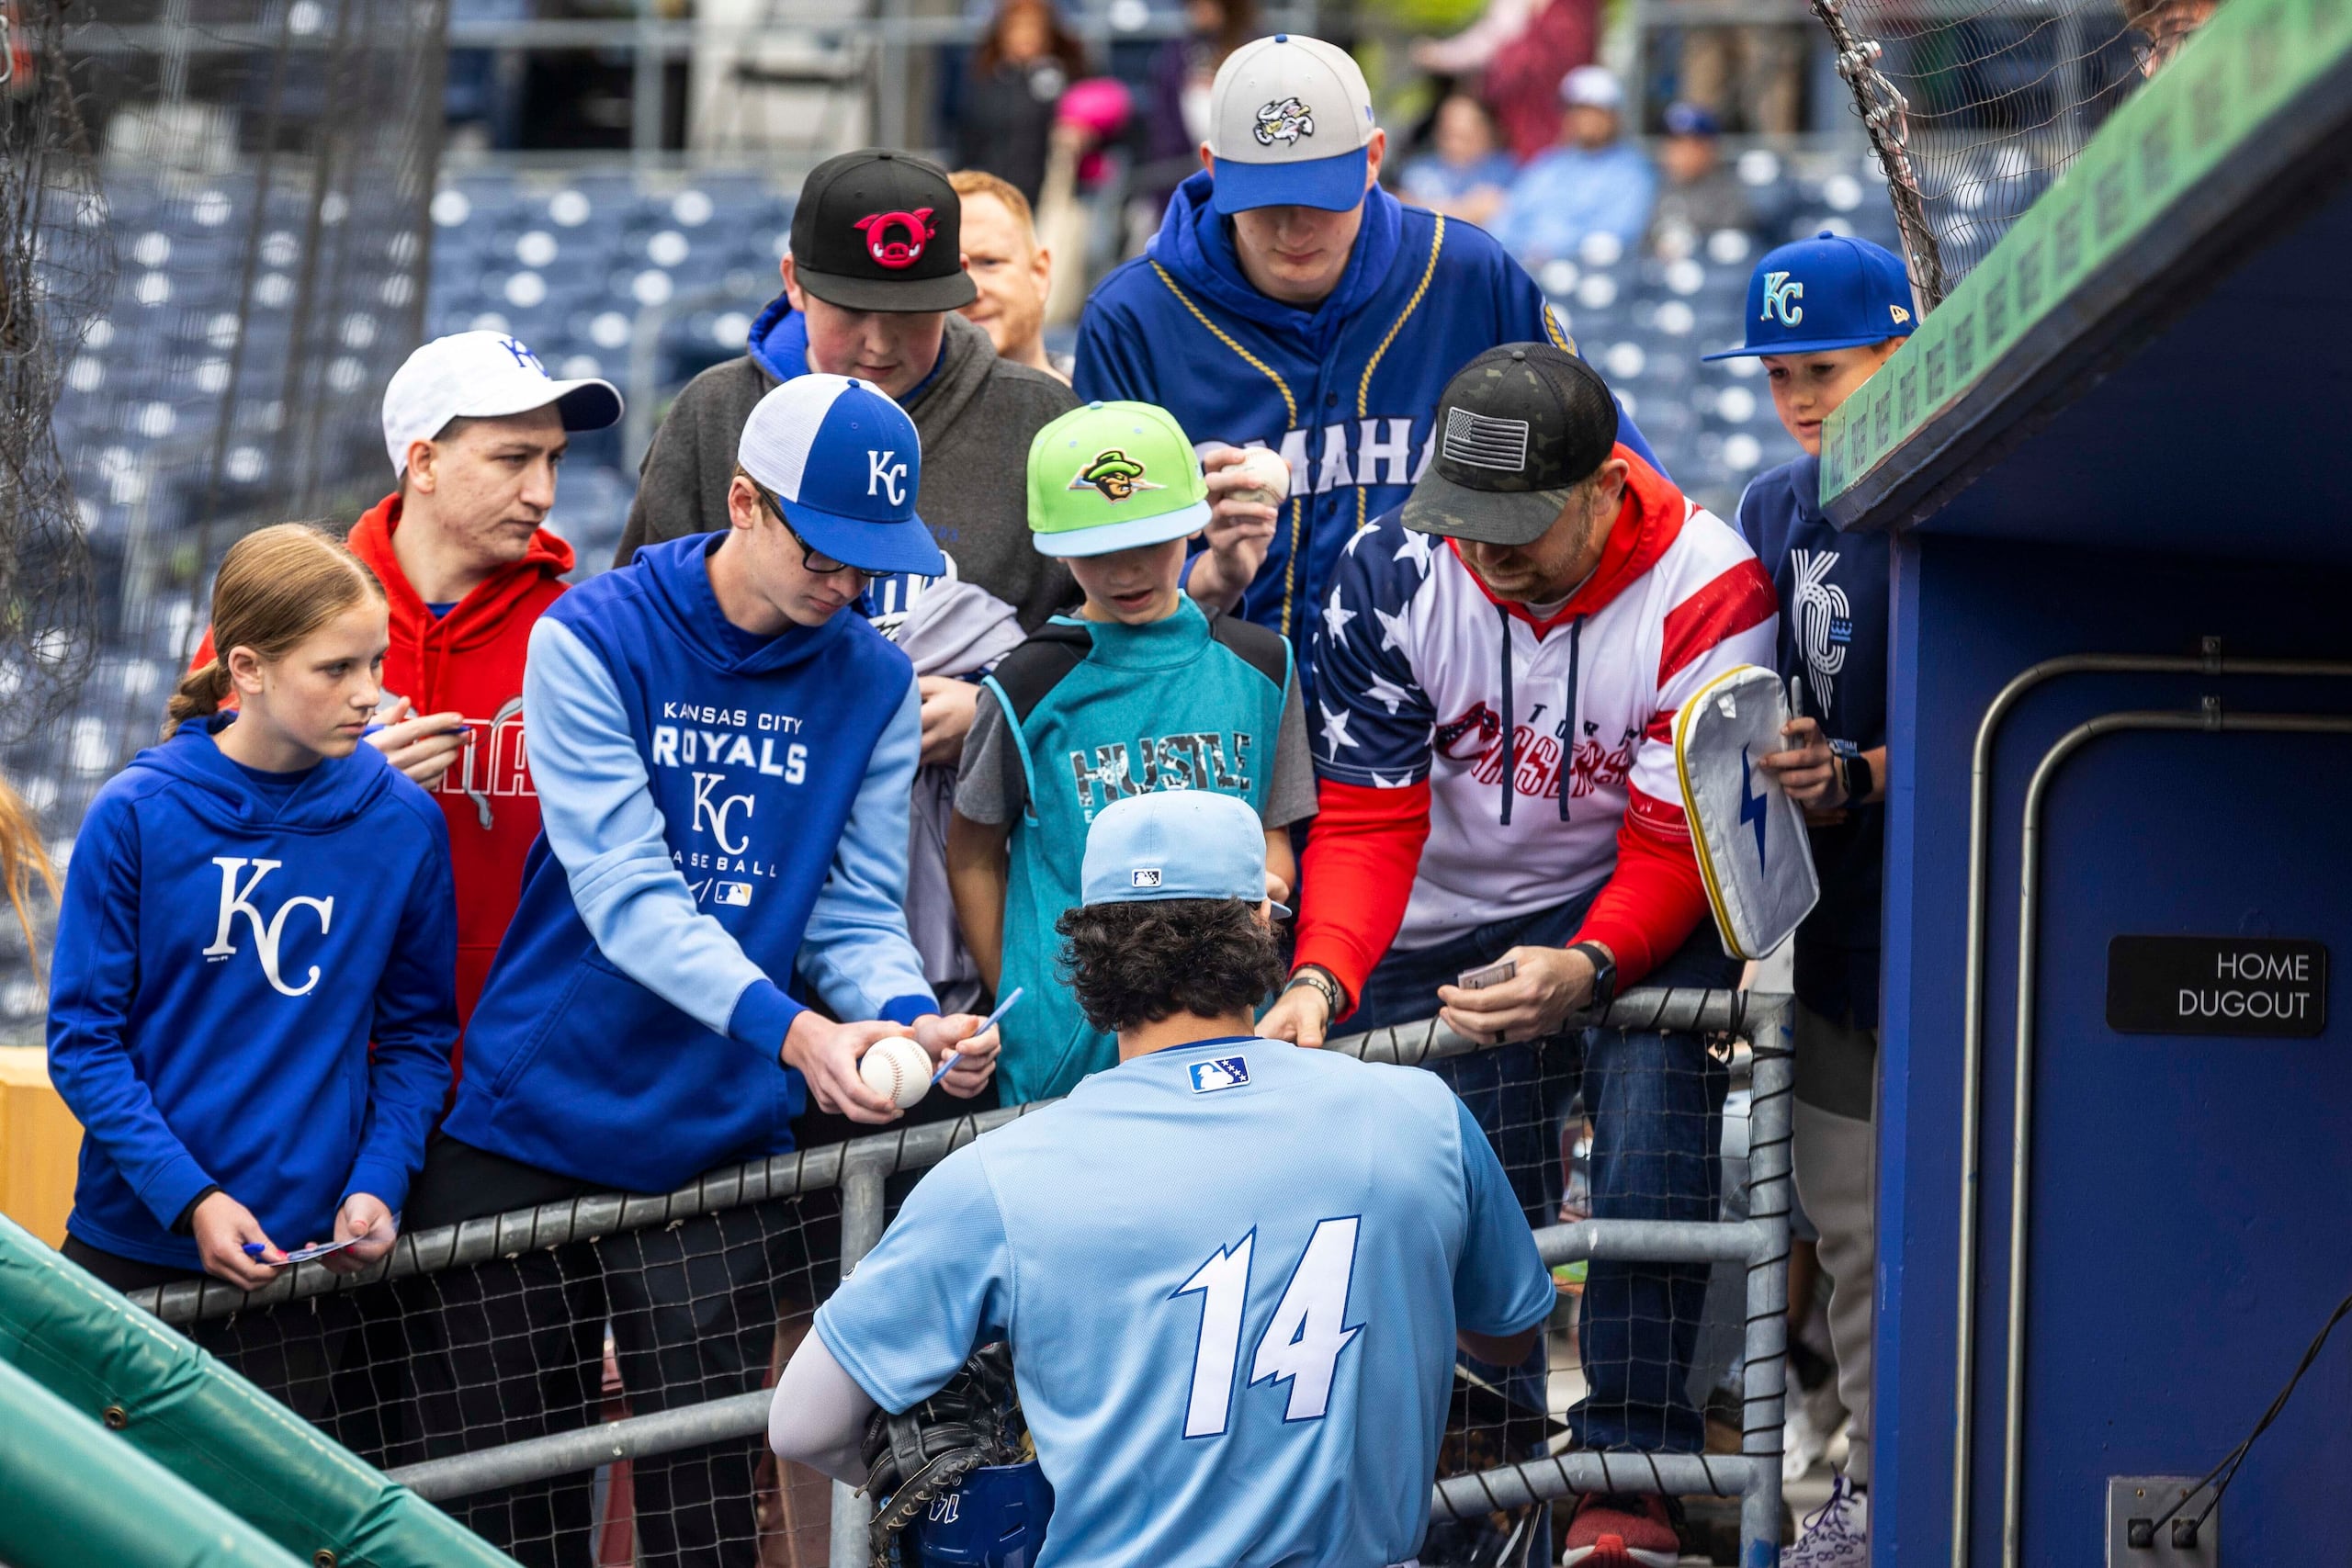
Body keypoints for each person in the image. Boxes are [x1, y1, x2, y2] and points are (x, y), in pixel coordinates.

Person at [410, 376, 1005, 1564]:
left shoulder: (874, 679)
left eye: (868, 561)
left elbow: (849, 906)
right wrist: (800, 1035)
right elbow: (626, 889)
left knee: (697, 1516)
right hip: (532, 1110)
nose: (846, 586)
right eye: (823, 552)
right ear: (743, 499)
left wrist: (902, 1013)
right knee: (495, 1502)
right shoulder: (592, 631)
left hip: (713, 1133)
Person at [1257, 344, 1779, 1562]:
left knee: (1652, 1143)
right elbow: (1371, 816)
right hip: (1435, 916)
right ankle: (1480, 1470)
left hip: (1628, 901)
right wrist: (1320, 972)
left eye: (1521, 522)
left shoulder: (1712, 585)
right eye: (1467, 516)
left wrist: (1590, 964)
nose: (1489, 548)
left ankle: (1631, 1471)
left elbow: (1671, 839)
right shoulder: (1392, 570)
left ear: (1605, 484)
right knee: (1452, 1201)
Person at [769, 789, 1558, 1568]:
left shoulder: (996, 1177)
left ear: (1089, 956)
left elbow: (802, 1423)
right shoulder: (1418, 1112)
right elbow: (1508, 1331)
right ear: (1260, 926)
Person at [1074, 33, 1660, 696]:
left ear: (1374, 158)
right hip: (1214, 708)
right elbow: (1097, 568)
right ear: (1213, 167)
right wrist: (1200, 581)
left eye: (1323, 197)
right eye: (1265, 202)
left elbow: (1622, 476)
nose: (1295, 230)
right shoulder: (1133, 316)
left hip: (1449, 713)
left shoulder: (1465, 274)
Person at [47, 524, 454, 1300]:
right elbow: (83, 1040)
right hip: (133, 1243)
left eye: (375, 662)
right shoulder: (138, 812)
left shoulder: (404, 822)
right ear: (247, 668)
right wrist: (188, 1197)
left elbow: (417, 1037)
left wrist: (379, 1179)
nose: (368, 693)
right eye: (335, 669)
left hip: (310, 1261)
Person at [189, 331, 619, 1033]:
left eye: (554, 460)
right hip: (302, 1048)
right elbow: (189, 832)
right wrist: (340, 782)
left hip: (509, 1071)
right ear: (423, 462)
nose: (542, 492)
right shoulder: (282, 611)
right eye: (513, 458)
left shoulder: (586, 629)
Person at [1705, 231, 1917, 1565]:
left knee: (1952, 1221)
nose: (1799, 395)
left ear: (1901, 345)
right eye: (1778, 369)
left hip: (1972, 905)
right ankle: (1872, 1490)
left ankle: (1923, 1485)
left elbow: (1997, 700)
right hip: (1833, 919)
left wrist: (1863, 769)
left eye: (1824, 366)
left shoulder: (1967, 468)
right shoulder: (1775, 504)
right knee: (1845, 1229)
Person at [945, 399, 1313, 1103]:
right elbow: (970, 852)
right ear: (1056, 550)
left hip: (1229, 1040)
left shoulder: (1264, 666)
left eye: (1150, 540)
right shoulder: (1026, 686)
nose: (1125, 570)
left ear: (1193, 524)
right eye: (1096, 550)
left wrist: (1263, 895)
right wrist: (1034, 1004)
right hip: (1071, 1058)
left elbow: (1274, 834)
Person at [616, 150, 1079, 657]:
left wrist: (996, 701)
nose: (879, 343)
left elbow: (1100, 629)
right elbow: (641, 622)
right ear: (794, 282)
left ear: (959, 283)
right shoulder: (715, 409)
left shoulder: (1041, 418)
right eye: (852, 310)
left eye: (910, 312)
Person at [1493, 65, 1658, 265]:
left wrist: (1549, 251)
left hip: (1586, 276)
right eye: (1578, 110)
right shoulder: (1548, 164)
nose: (1586, 119)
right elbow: (1506, 219)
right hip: (1524, 268)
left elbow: (1619, 234)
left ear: (1614, 117)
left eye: (1596, 111)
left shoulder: (1633, 172)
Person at [953, 0, 1087, 208]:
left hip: (1052, 199)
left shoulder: (1067, 77)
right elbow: (968, 141)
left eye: (1034, 27)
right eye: (1017, 27)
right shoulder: (985, 80)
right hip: (996, 197)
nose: (1026, 36)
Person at [947, 169, 1069, 381]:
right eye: (950, 270)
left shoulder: (1101, 400)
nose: (972, 291)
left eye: (989, 262)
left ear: (1039, 272)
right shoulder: (893, 412)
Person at [1397, 91, 1516, 228]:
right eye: (1448, 134)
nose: (1455, 144)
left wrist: (1429, 210)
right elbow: (1405, 213)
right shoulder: (1419, 170)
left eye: (1464, 136)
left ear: (1487, 133)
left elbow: (1502, 210)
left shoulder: (1504, 170)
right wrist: (1468, 211)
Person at [1647, 101, 1757, 247]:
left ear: (1709, 148)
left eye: (1686, 144)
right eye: (1671, 142)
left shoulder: (1732, 195)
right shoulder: (1657, 187)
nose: (1675, 153)